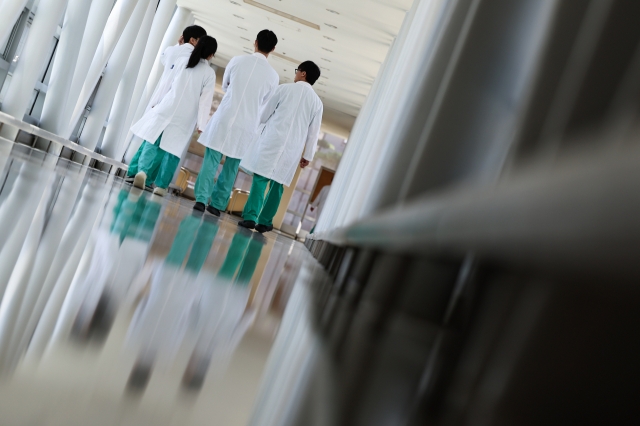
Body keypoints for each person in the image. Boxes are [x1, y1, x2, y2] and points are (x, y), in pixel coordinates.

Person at [193, 30, 280, 216]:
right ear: (273, 49)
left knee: (211, 160)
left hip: (225, 116)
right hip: (246, 124)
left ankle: (201, 199)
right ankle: (217, 205)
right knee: (231, 167)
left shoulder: (237, 60)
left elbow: (226, 85)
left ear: (255, 42)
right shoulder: (273, 76)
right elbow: (265, 101)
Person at [238, 61, 323, 233]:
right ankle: (264, 222)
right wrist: (308, 155)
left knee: (260, 179)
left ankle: (250, 218)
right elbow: (313, 133)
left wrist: (257, 127)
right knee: (278, 185)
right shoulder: (317, 102)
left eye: (297, 70)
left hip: (272, 140)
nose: (296, 73)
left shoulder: (284, 89)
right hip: (292, 148)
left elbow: (264, 114)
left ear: (303, 73)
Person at [129, 36, 217, 196]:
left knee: (152, 141)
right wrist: (201, 124)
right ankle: (161, 186)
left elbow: (166, 83)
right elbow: (205, 101)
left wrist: (156, 102)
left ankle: (142, 171)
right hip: (185, 116)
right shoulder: (209, 73)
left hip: (167, 106)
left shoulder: (184, 61)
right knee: (172, 150)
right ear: (211, 54)